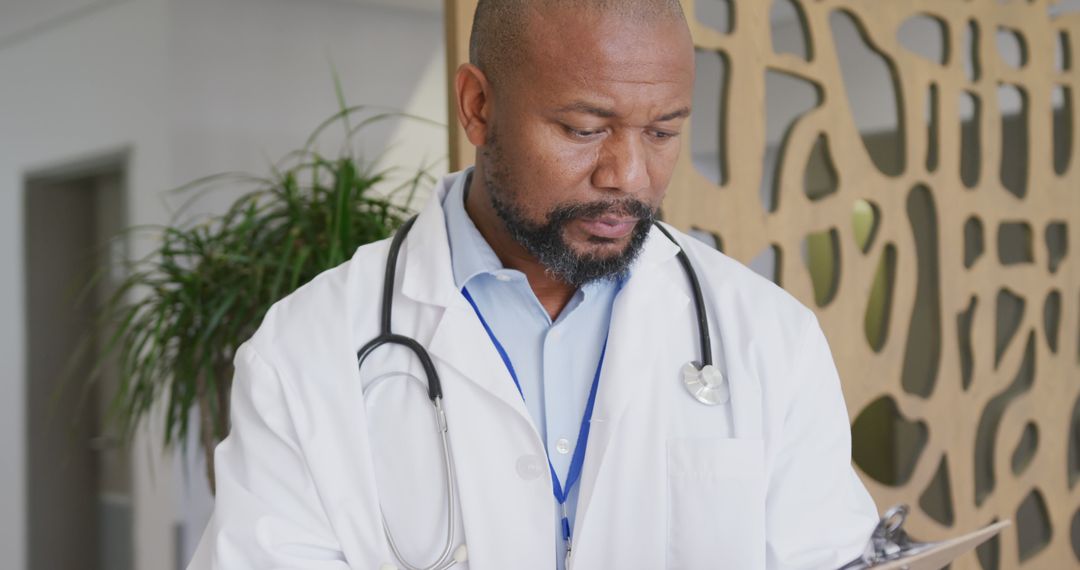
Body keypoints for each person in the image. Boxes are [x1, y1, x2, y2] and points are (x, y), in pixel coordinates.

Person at [189, 0, 879, 568]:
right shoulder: (305, 350)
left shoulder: (769, 336)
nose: (629, 176)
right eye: (585, 129)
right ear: (478, 106)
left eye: (663, 132)